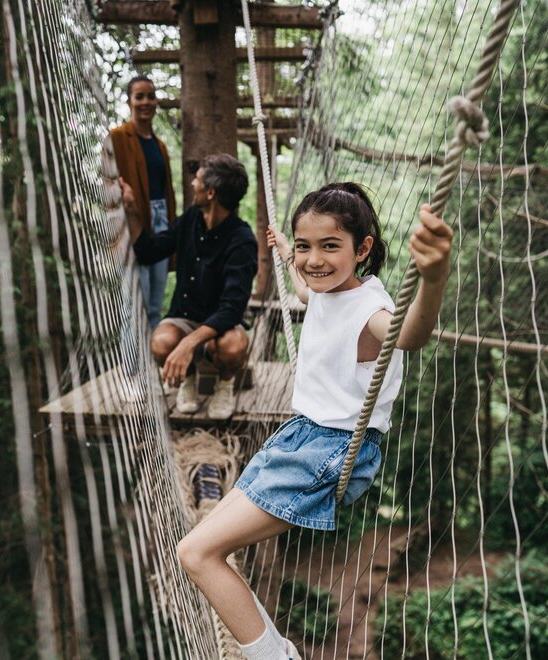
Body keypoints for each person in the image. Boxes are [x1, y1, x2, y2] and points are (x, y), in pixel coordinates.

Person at [174, 183, 454, 659]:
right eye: (307, 246)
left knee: (197, 554)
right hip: (297, 438)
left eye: (330, 246)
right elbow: (306, 289)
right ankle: (276, 648)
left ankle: (275, 656)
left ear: (362, 249)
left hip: (330, 450)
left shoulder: (371, 310)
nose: (315, 259)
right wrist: (288, 252)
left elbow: (408, 334)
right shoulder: (327, 287)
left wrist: (434, 278)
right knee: (202, 544)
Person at [121, 153, 256, 420]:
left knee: (234, 346)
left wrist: (188, 344)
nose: (193, 184)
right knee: (161, 342)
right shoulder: (190, 219)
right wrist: (131, 208)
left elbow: (232, 309)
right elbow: (148, 251)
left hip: (222, 327)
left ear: (211, 192)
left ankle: (224, 385)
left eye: (197, 179)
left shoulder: (242, 239)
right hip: (184, 317)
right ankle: (188, 380)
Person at [109, 74, 177, 329]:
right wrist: (123, 200)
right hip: (133, 220)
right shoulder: (117, 137)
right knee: (136, 303)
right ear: (129, 102)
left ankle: (151, 353)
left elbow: (166, 190)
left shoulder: (160, 146)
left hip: (161, 220)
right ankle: (132, 357)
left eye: (151, 96)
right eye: (140, 97)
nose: (146, 102)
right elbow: (106, 182)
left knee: (155, 304)